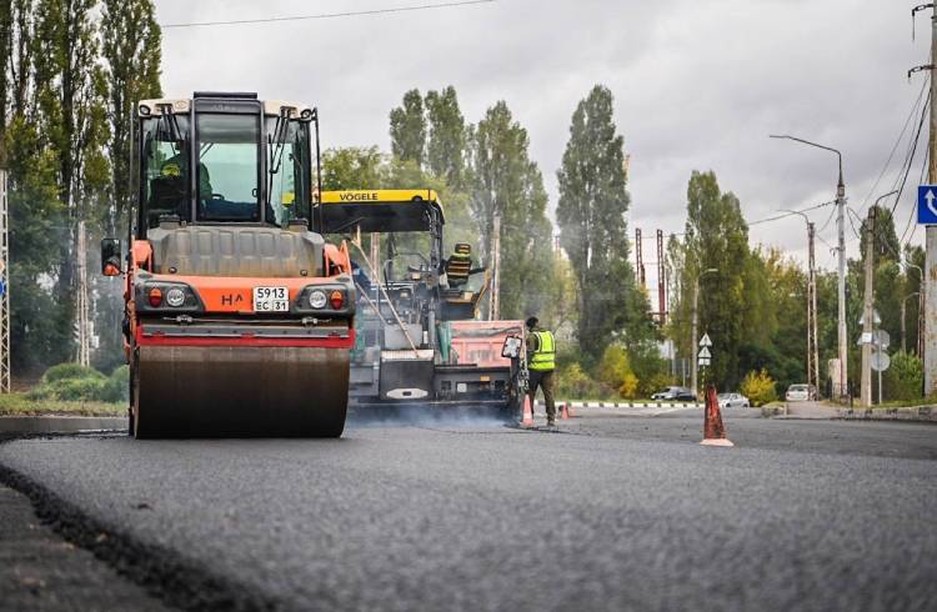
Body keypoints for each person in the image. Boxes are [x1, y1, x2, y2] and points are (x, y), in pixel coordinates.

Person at [525, 316, 557, 426]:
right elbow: (554, 350)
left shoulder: (533, 336)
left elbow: (530, 353)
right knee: (549, 393)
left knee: (530, 393)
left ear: (530, 326)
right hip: (549, 369)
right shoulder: (550, 335)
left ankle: (529, 416)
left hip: (535, 369)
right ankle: (551, 418)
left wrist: (525, 365)